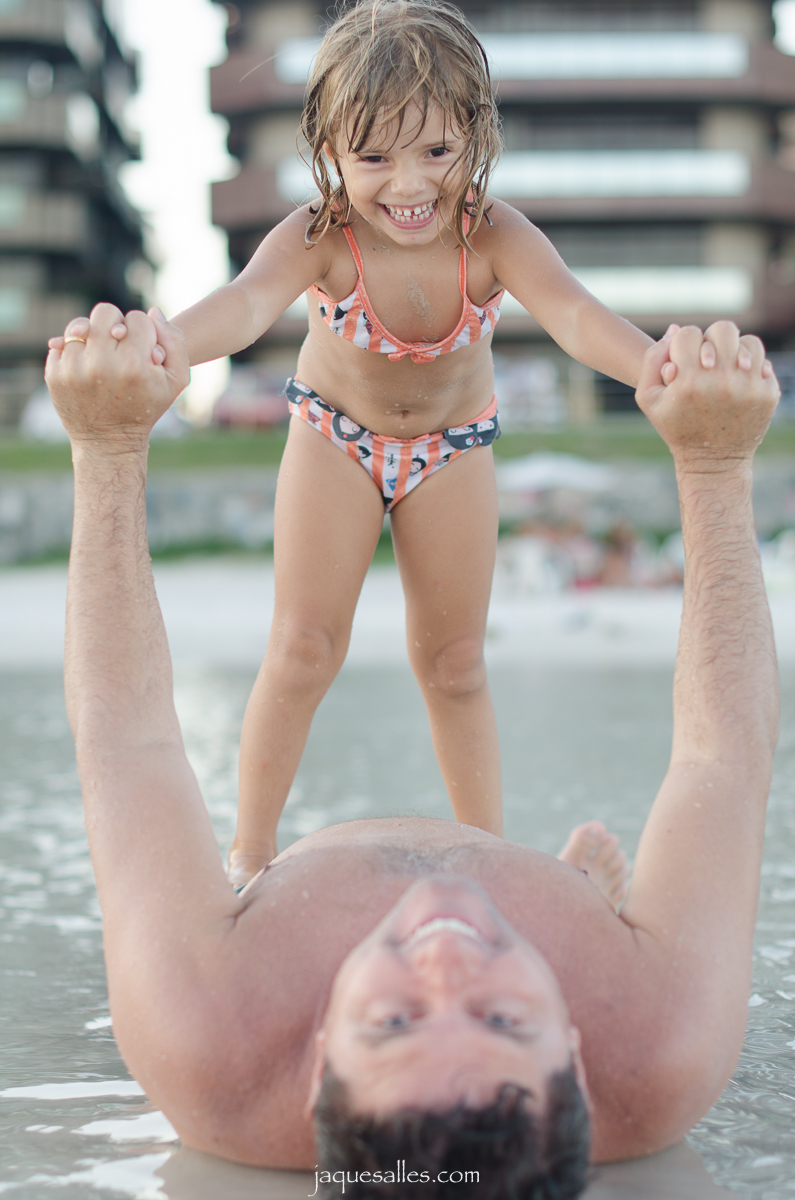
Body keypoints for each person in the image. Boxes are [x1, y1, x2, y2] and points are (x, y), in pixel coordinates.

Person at [45, 304, 779, 1198]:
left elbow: (130, 741)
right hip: (576, 944)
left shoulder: (207, 1038)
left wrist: (109, 444)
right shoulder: (658, 1049)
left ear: (316, 1064)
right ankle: (576, 902)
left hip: (281, 911)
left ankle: (548, 909)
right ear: (579, 1060)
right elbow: (721, 761)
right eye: (504, 1017)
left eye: (392, 1020)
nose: (445, 951)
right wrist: (714, 463)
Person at [50, 0, 659, 889]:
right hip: (333, 438)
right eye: (373, 157)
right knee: (301, 647)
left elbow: (571, 313)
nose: (408, 186)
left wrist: (655, 365)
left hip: (453, 448)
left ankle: (484, 856)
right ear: (327, 151)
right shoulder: (319, 236)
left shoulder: (490, 235)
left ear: (475, 136)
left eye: (436, 152)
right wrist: (163, 340)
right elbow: (248, 304)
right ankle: (250, 856)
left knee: (453, 664)